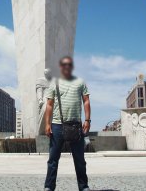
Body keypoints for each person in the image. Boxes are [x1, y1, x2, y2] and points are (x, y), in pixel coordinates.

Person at [44, 56, 91, 191]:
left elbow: (86, 100)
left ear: (72, 66)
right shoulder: (54, 83)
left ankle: (84, 187)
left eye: (69, 64)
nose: (67, 66)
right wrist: (47, 124)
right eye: (64, 64)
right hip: (57, 125)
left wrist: (87, 120)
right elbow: (49, 104)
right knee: (53, 160)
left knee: (80, 160)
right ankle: (49, 187)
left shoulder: (80, 82)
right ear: (61, 67)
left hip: (76, 125)